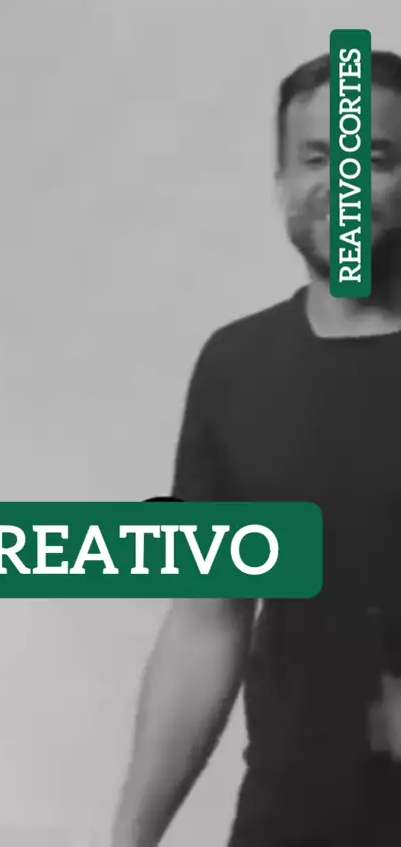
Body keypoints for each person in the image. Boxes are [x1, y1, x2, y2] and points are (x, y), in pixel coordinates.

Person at [111, 51, 401, 847]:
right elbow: (208, 620)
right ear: (282, 180)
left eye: (374, 159)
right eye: (318, 158)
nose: (341, 186)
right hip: (288, 824)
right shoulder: (237, 365)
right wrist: (131, 837)